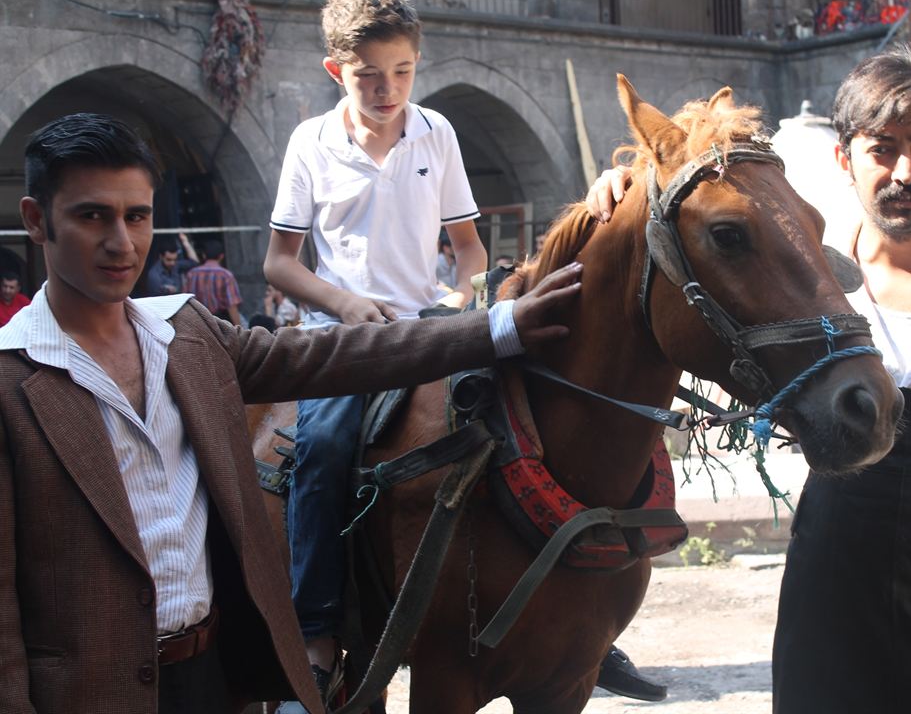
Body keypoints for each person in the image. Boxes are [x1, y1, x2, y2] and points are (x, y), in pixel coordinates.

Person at [0, 112, 581, 714]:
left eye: (137, 216)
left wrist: (502, 326)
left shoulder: (187, 335)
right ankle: (318, 629)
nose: (121, 242)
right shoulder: (12, 380)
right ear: (37, 220)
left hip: (215, 680)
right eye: (92, 216)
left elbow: (332, 354)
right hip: (91, 693)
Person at [587, 46, 911, 713]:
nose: (905, 171)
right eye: (882, 149)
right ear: (846, 160)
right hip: (832, 608)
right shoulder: (790, 286)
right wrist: (624, 197)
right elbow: (671, 271)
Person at [262, 0, 489, 708]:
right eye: (368, 75)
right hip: (343, 340)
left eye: (402, 71)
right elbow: (278, 263)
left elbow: (470, 251)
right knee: (325, 446)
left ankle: (564, 607)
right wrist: (344, 304)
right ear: (337, 70)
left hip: (426, 331)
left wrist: (464, 295)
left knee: (519, 417)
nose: (388, 89)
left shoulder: (437, 132)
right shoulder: (310, 141)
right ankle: (317, 629)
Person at [184, 238, 243, 325]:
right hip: (220, 322)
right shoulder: (225, 275)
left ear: (204, 255)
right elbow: (232, 306)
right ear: (221, 256)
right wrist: (238, 329)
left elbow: (185, 301)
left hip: (198, 322)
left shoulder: (192, 274)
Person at [145, 231, 198, 296]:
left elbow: (194, 262)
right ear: (161, 257)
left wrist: (185, 242)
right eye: (169, 260)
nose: (172, 263)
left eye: (174, 260)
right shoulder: (154, 274)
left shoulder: (176, 265)